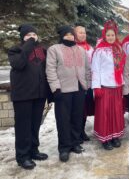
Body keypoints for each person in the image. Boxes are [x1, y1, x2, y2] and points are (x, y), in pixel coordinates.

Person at [8, 24, 49, 170]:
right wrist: (28, 45)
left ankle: (33, 150)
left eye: (34, 34)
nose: (32, 36)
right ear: (23, 37)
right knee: (23, 126)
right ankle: (22, 156)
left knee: (35, 124)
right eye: (28, 35)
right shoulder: (16, 50)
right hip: (23, 95)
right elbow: (18, 64)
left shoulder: (42, 50)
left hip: (39, 94)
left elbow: (47, 70)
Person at [46, 25, 90, 162]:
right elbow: (51, 69)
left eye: (72, 35)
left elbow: (87, 69)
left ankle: (75, 143)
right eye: (67, 35)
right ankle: (64, 147)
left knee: (77, 118)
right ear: (62, 36)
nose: (70, 37)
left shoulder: (81, 50)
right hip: (63, 91)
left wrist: (86, 85)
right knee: (63, 120)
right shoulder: (55, 49)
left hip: (79, 89)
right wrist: (56, 88)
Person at [91, 20, 126, 150]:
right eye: (108, 35)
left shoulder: (119, 49)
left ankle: (115, 136)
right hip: (104, 86)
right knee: (105, 112)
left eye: (113, 35)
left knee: (116, 111)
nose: (110, 37)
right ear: (104, 36)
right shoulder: (99, 51)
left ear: (115, 35)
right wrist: (96, 87)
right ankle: (105, 138)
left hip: (117, 85)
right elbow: (95, 69)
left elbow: (121, 67)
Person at [74, 25, 94, 142]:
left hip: (88, 82)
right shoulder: (73, 47)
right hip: (77, 83)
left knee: (85, 108)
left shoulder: (89, 48)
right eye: (80, 32)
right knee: (78, 109)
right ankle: (77, 132)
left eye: (84, 32)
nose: (83, 34)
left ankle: (81, 130)